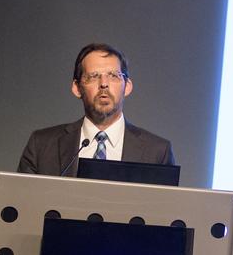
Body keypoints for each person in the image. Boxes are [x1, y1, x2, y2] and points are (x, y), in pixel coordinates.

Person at [17, 42, 176, 175]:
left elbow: (165, 210)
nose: (103, 83)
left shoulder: (157, 152)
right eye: (93, 76)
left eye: (113, 75)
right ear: (77, 88)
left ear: (127, 87)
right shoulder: (42, 145)